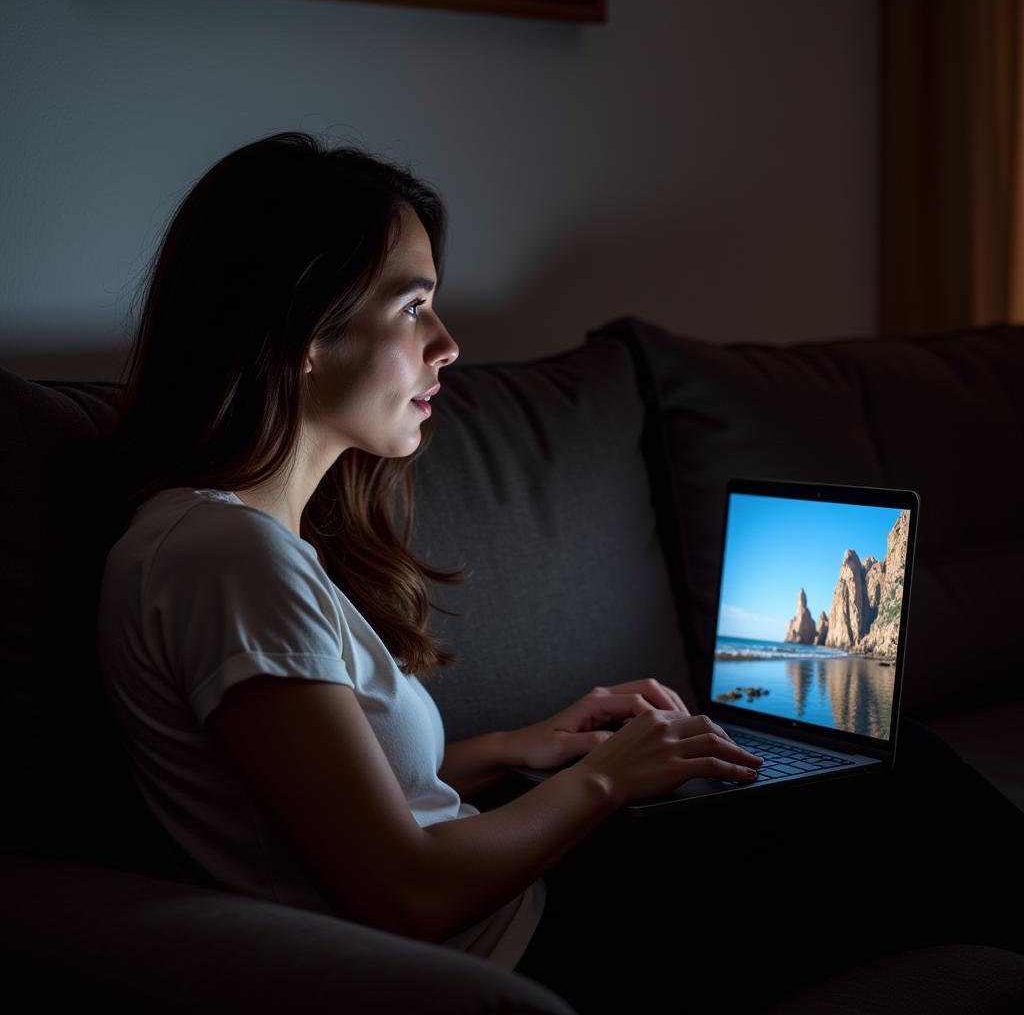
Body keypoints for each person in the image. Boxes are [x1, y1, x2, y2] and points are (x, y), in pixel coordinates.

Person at [96, 131, 1024, 1013]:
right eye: (413, 306)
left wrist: (518, 747)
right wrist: (607, 780)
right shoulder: (226, 557)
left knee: (872, 790)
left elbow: (323, 798)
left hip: (520, 903)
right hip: (526, 955)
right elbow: (404, 892)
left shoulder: (240, 546)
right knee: (904, 797)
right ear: (305, 329)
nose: (448, 343)